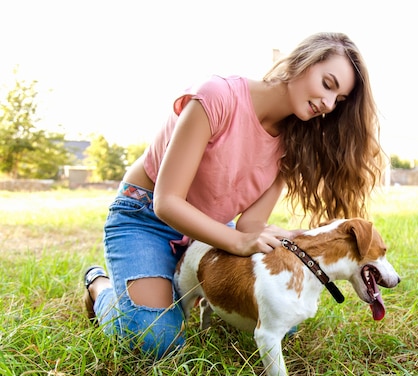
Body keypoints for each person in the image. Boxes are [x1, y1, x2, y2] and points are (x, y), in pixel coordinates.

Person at [83, 32, 384, 359]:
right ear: (304, 62)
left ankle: (172, 287)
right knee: (157, 339)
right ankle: (100, 287)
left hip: (212, 231)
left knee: (281, 315)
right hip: (147, 220)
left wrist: (292, 237)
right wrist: (237, 243)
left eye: (337, 101)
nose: (327, 104)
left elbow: (251, 222)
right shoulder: (218, 96)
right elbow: (167, 201)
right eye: (328, 84)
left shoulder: (293, 142)